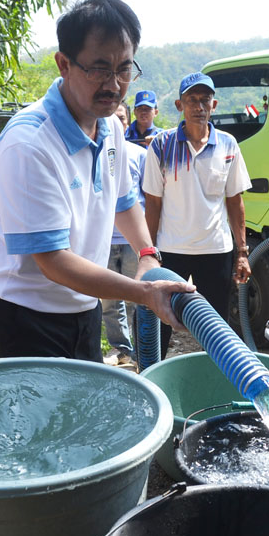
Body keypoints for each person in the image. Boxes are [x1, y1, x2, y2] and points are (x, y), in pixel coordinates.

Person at [0, 0, 193, 361]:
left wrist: (147, 255)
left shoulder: (109, 127)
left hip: (82, 309)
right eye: (99, 69)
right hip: (22, 317)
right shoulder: (30, 142)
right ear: (64, 64)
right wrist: (143, 293)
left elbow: (124, 203)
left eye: (124, 69)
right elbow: (53, 260)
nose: (114, 84)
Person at [143, 72, 253, 356]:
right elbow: (153, 203)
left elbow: (235, 200)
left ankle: (215, 381)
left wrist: (242, 252)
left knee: (215, 327)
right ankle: (153, 379)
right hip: (171, 249)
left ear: (214, 105)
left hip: (215, 250)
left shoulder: (228, 144)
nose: (199, 106)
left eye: (205, 100)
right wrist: (148, 253)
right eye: (192, 100)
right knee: (160, 324)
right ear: (179, 105)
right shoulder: (162, 145)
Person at [101, 108, 148, 367]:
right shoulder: (96, 153)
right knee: (109, 301)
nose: (114, 122)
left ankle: (143, 351)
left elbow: (148, 198)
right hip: (105, 241)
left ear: (126, 122)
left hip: (131, 242)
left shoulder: (140, 155)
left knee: (139, 298)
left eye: (120, 118)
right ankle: (120, 348)